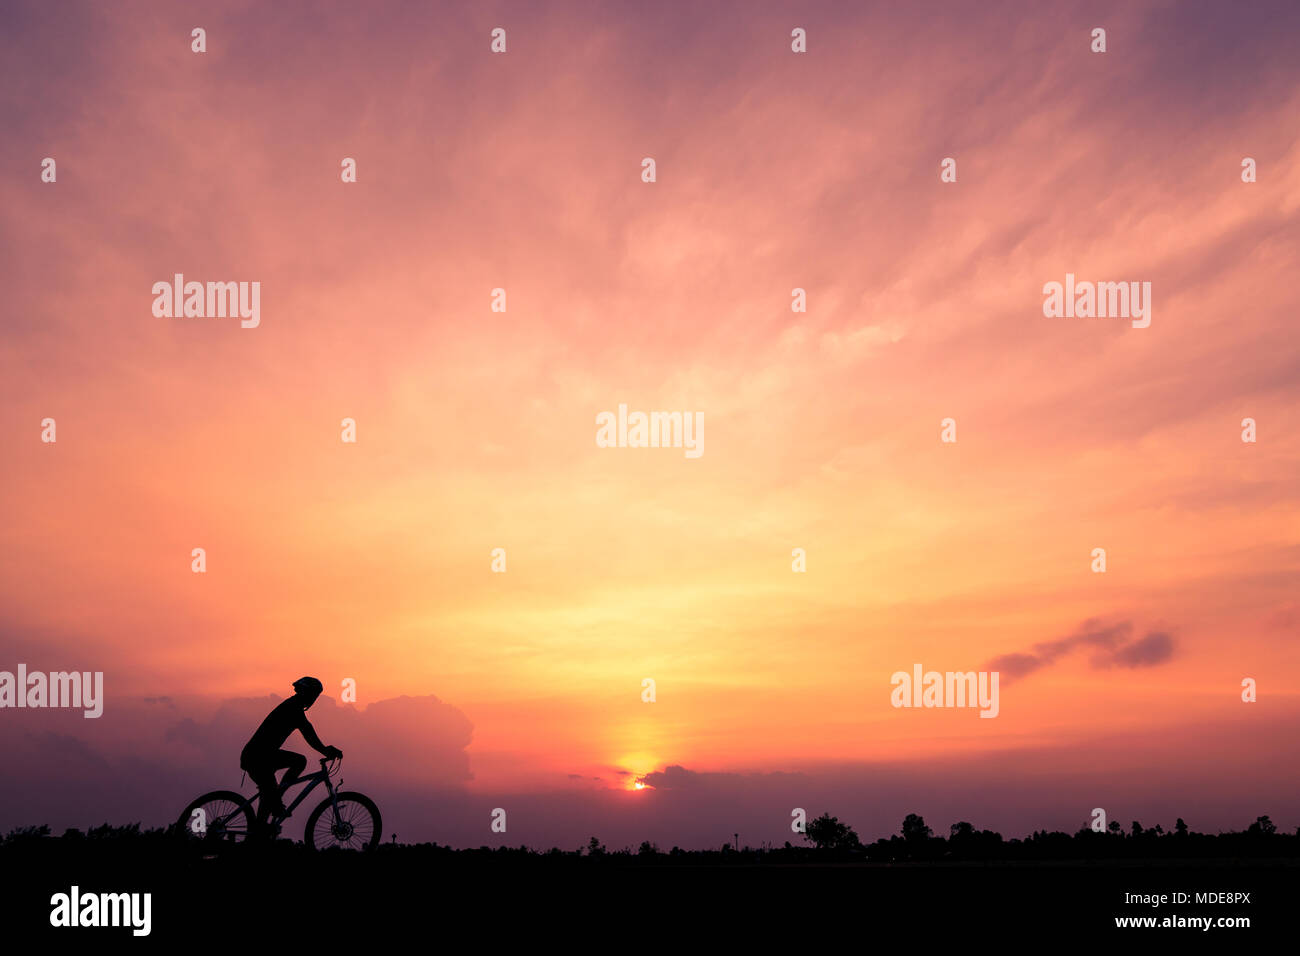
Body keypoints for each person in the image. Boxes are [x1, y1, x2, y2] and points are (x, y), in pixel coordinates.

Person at [240, 677, 341, 832]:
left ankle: (259, 830)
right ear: (305, 693)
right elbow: (309, 733)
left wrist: (325, 749)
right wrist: (326, 750)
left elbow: (308, 731)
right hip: (258, 757)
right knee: (299, 762)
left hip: (260, 756)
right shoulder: (293, 709)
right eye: (313, 695)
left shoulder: (293, 707)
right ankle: (276, 800)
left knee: (269, 796)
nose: (313, 699)